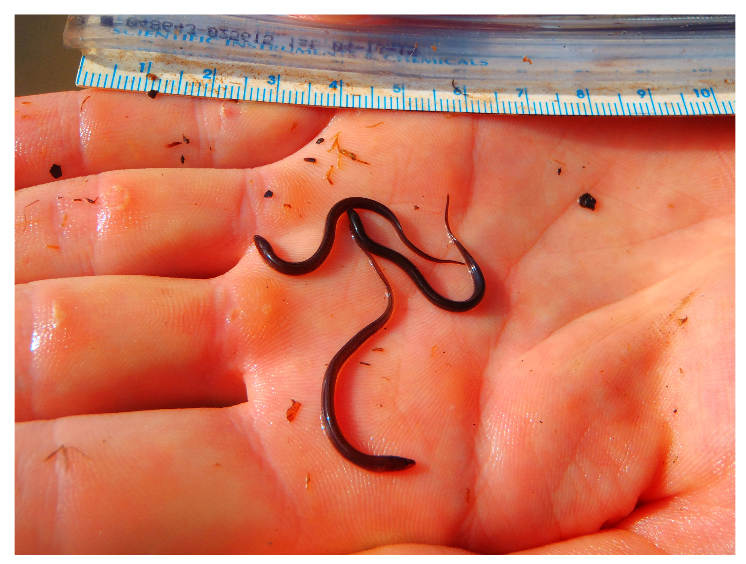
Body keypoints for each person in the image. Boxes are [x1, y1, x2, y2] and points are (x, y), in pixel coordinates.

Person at [15, 88, 734, 554]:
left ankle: (402, 269)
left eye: (270, 251)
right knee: (388, 262)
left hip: (375, 232)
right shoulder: (350, 231)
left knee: (397, 266)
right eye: (274, 252)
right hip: (367, 229)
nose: (273, 253)